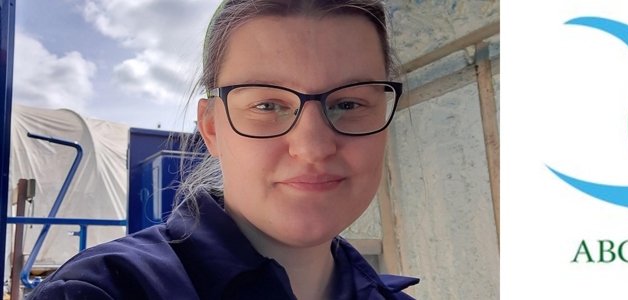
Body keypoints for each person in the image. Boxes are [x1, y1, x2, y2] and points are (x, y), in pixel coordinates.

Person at [25, 0, 418, 299]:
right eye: (267, 106)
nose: (312, 147)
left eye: (348, 104)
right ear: (212, 128)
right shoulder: (106, 289)